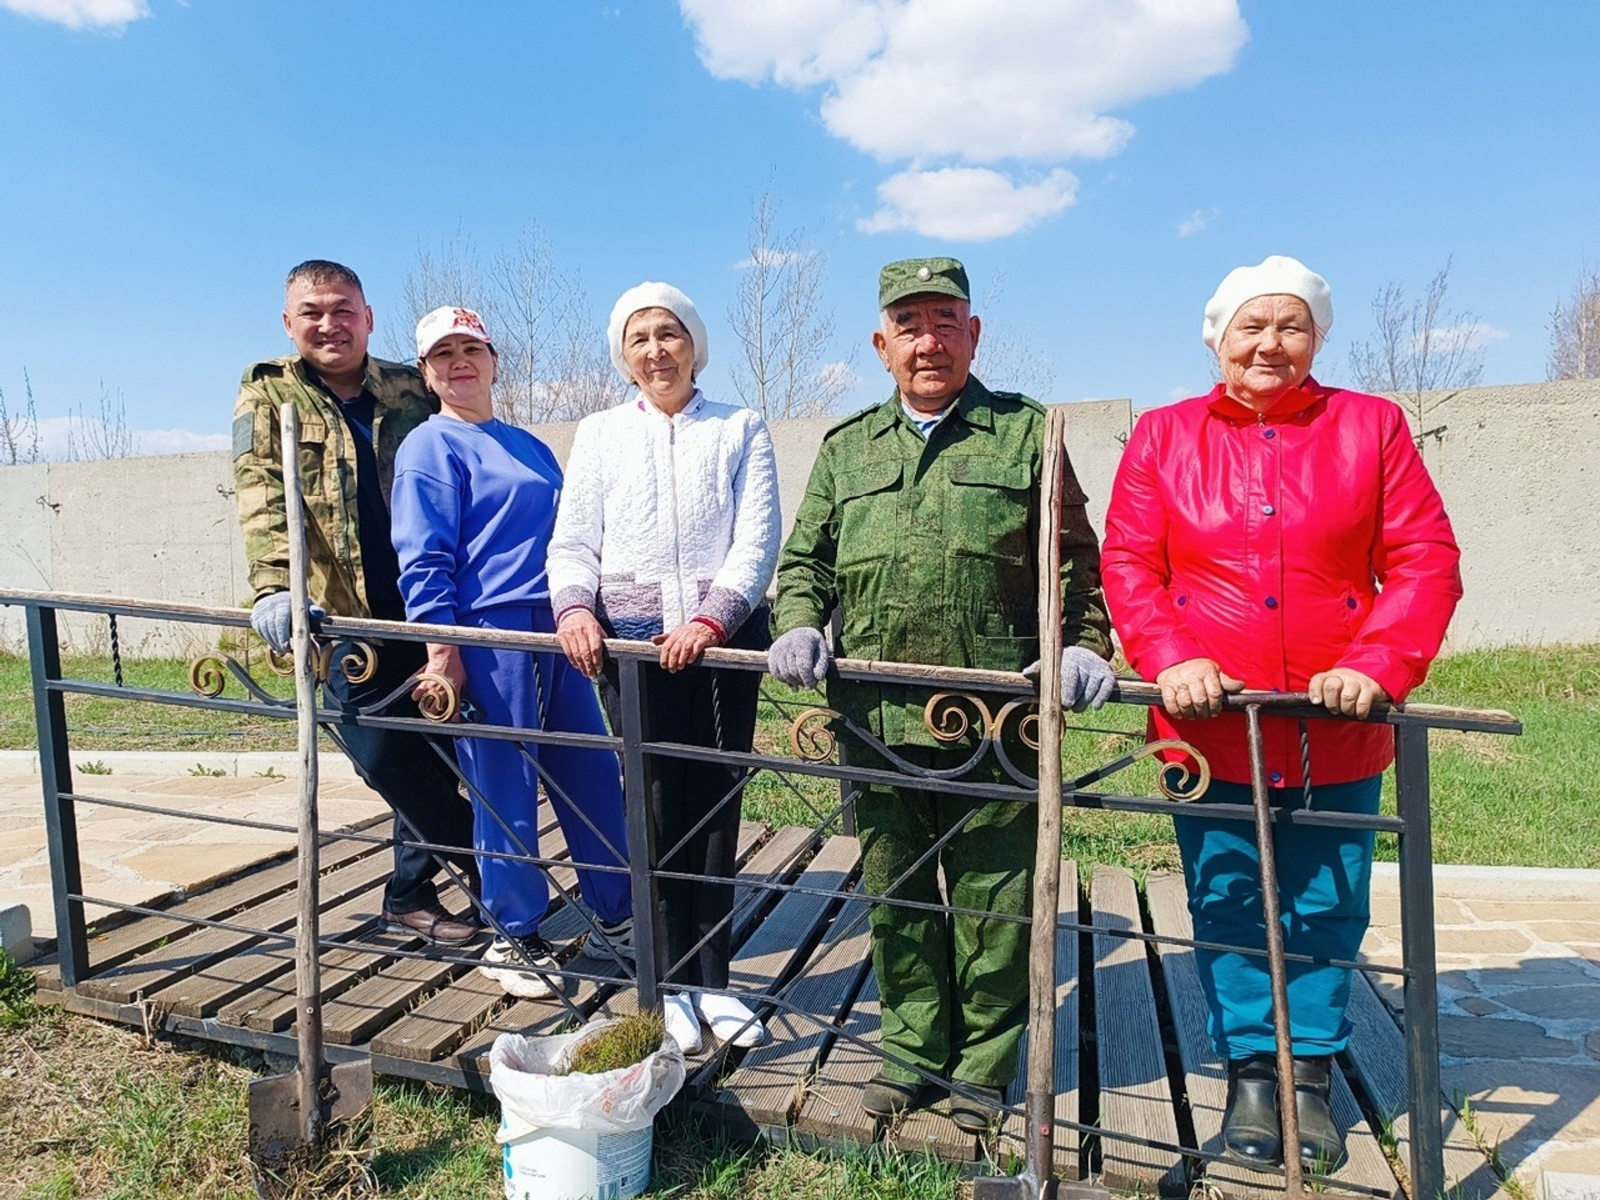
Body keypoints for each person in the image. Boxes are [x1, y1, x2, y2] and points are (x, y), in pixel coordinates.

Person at [1101, 255, 1462, 1171]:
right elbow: (1132, 564)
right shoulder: (1164, 435)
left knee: (1324, 898)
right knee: (1226, 894)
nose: (1270, 344)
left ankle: (1310, 1074)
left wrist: (1377, 661)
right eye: (1250, 327)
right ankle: (1252, 1074)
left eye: (1291, 326)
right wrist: (1169, 656)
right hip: (1210, 724)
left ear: (1318, 340)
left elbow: (1424, 556)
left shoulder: (1370, 428)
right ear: (1216, 336)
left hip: (1335, 722)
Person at [767, 257, 1115, 1132]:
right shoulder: (848, 450)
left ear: (974, 335)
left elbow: (1080, 564)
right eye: (910, 326)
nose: (928, 341)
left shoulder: (1030, 435)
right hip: (877, 720)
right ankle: (913, 1053)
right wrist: (799, 623)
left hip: (1002, 722)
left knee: (997, 904)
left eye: (945, 322)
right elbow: (805, 563)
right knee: (900, 895)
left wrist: (1080, 645)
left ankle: (984, 1068)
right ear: (882, 345)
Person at [548, 281, 781, 1053]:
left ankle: (711, 981)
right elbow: (574, 539)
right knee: (649, 813)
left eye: (669, 333)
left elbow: (757, 539)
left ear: (694, 344)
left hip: (721, 647)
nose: (655, 350)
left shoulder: (740, 428)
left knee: (713, 811)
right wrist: (576, 609)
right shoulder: (602, 434)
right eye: (639, 338)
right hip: (635, 652)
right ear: (623, 354)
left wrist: (713, 616)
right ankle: (664, 985)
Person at [389, 306, 634, 998]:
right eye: (443, 355)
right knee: (504, 790)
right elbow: (423, 557)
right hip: (489, 635)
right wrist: (444, 649)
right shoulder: (428, 448)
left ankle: (615, 913)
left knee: (589, 775)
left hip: (556, 627)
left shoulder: (530, 446)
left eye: (472, 348)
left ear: (495, 360)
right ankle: (515, 932)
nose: (459, 362)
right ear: (426, 373)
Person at [233, 260, 478, 946]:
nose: (329, 323)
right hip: (340, 619)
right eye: (312, 311)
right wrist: (275, 585)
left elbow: (466, 454)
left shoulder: (409, 387)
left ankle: (407, 896)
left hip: (427, 605)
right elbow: (261, 496)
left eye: (343, 310)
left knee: (436, 757)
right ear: (289, 323)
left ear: (368, 319)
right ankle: (495, 866)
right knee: (387, 760)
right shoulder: (268, 396)